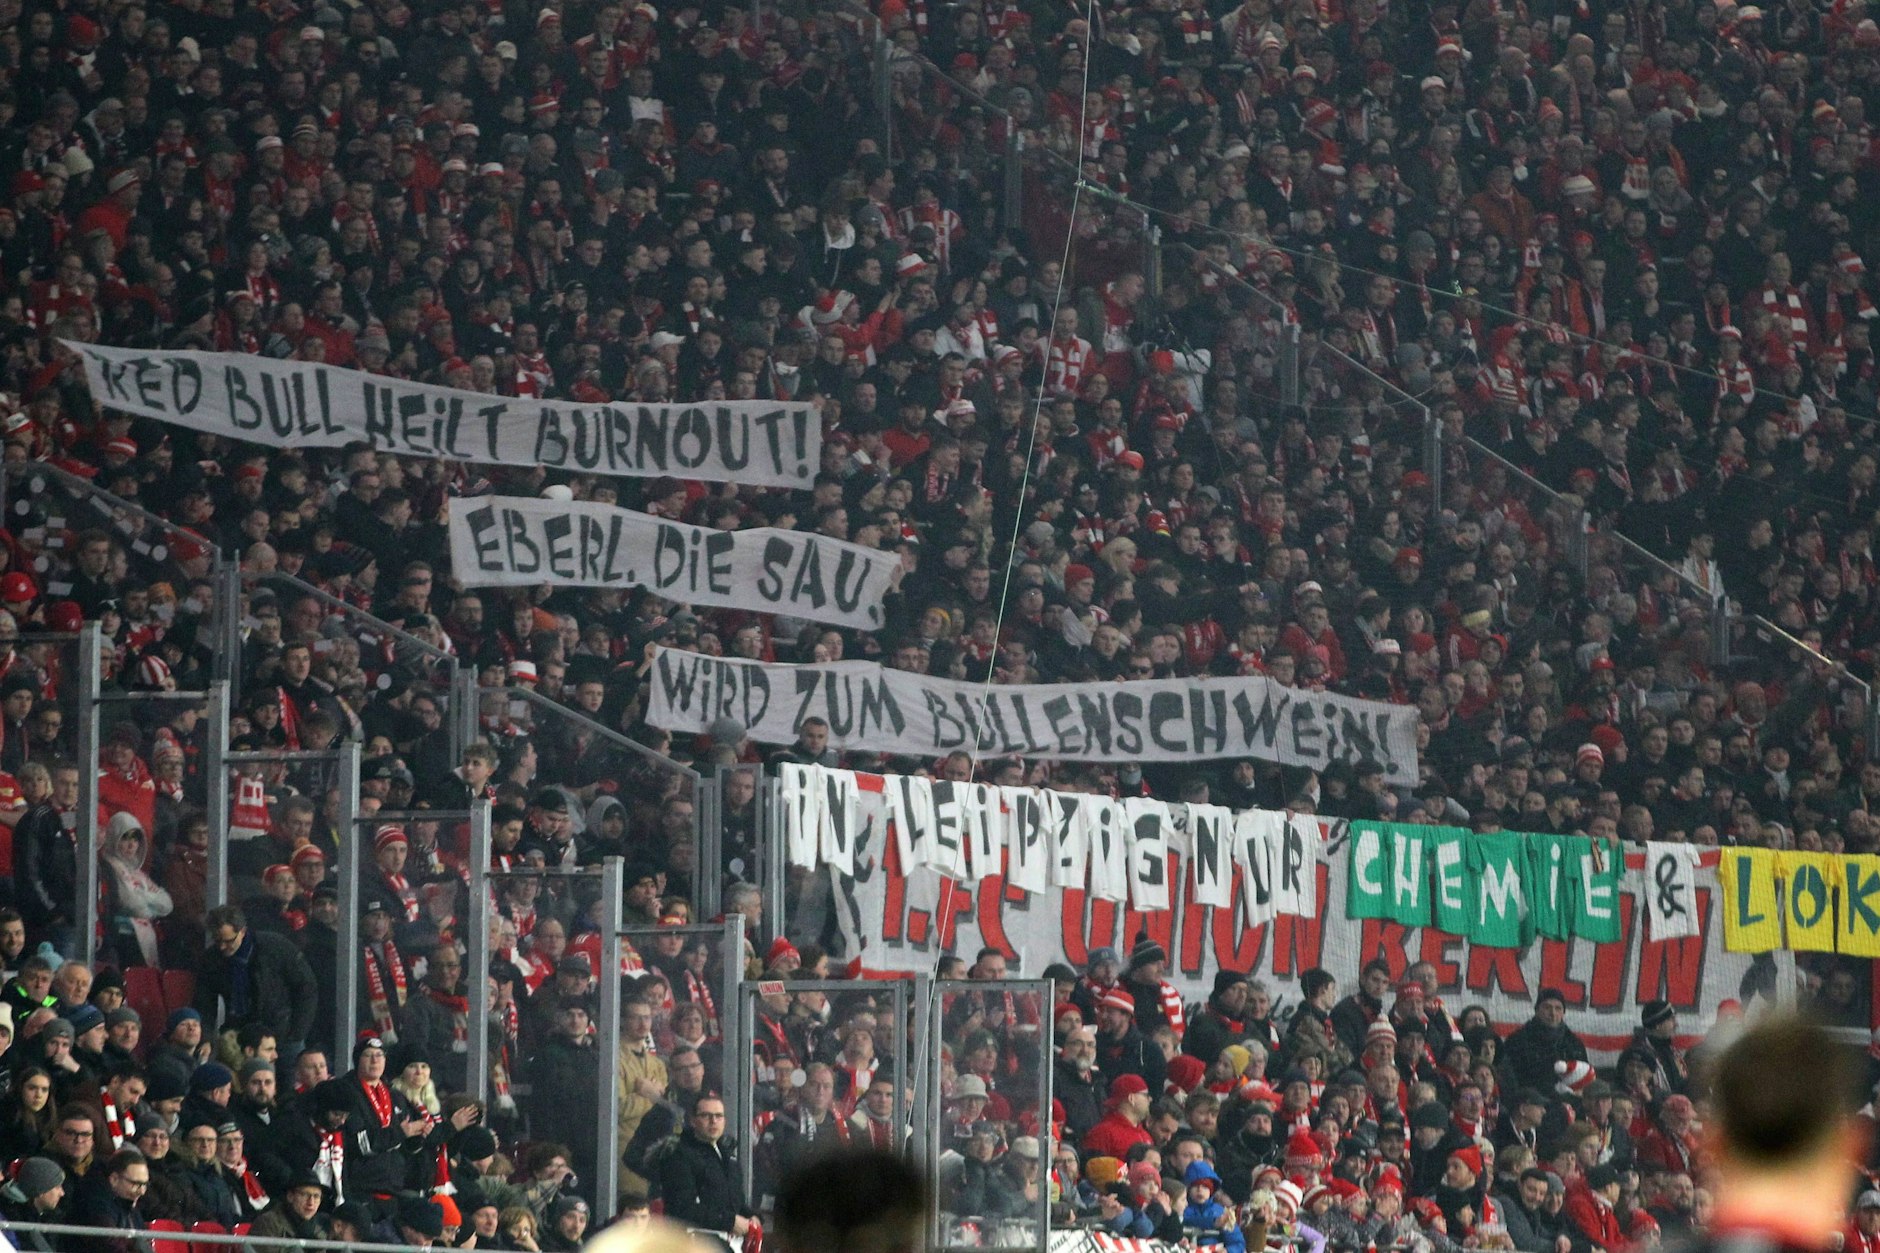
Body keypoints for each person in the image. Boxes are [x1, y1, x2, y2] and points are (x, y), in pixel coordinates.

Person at [658, 1095, 755, 1239]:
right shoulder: (679, 1156)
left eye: (718, 1116)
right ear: (692, 1120)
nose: (713, 1121)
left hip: (731, 1241)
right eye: (706, 1116)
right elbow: (681, 1208)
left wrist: (752, 1216)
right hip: (695, 1242)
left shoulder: (729, 1157)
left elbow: (735, 1202)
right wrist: (729, 1221)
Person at [0, 1156, 67, 1252]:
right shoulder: (15, 1221)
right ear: (40, 1191)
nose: (62, 1193)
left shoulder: (48, 1215)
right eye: (57, 1187)